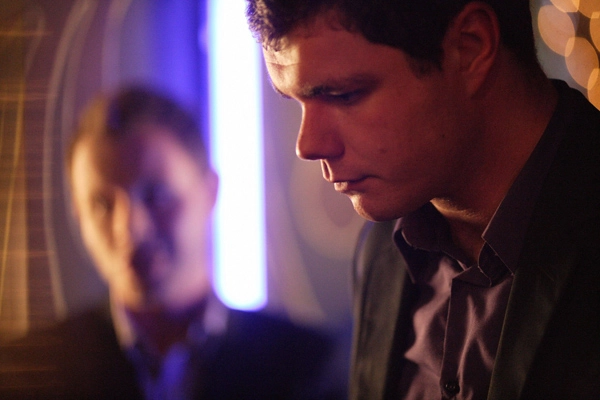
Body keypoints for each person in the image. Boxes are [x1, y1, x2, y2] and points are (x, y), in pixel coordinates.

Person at [245, 0, 600, 399]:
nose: (308, 145)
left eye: (344, 95)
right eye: (296, 101)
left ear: (470, 47)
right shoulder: (384, 248)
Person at [0, 87, 348, 399]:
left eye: (156, 196)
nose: (130, 229)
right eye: (102, 206)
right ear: (78, 215)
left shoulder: (306, 368)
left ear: (210, 191)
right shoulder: (29, 374)